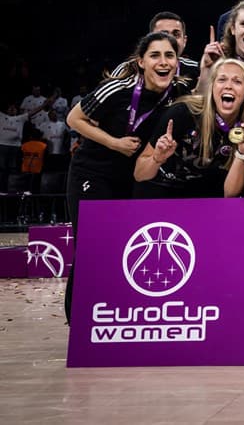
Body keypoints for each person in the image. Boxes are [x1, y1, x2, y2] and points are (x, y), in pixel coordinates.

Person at [64, 31, 181, 323]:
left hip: (132, 179)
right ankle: (78, 321)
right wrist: (114, 143)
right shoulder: (117, 88)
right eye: (155, 55)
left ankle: (114, 316)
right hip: (92, 173)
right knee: (92, 246)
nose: (163, 62)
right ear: (141, 61)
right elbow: (73, 119)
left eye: (169, 55)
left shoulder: (176, 94)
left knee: (123, 247)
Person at [134, 58, 244, 198]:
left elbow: (230, 194)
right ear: (212, 87)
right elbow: (139, 174)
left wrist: (241, 153)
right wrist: (157, 159)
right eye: (222, 80)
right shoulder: (183, 113)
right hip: (163, 195)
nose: (228, 86)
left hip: (206, 204)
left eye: (237, 82)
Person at [111, 11, 201, 94]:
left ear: (184, 41)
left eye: (176, 34)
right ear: (150, 39)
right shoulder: (126, 70)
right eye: (163, 35)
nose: (170, 40)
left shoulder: (197, 69)